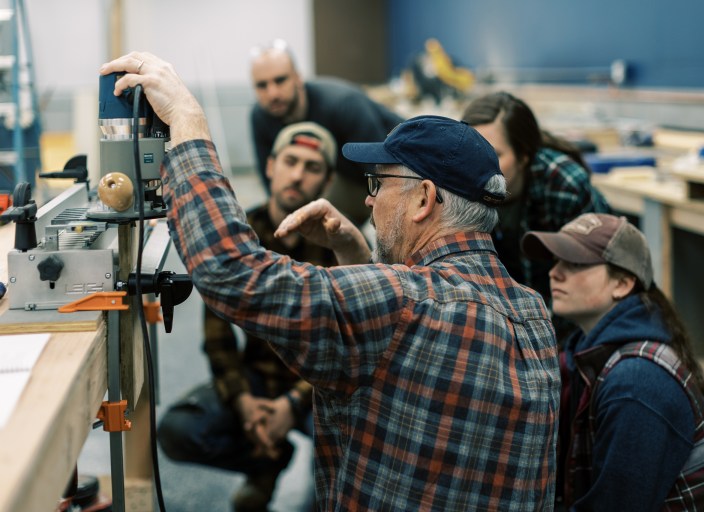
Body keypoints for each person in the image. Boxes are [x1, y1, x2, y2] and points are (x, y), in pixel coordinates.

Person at [101, 52, 561, 511]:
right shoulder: (535, 316)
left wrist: (187, 120)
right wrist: (358, 258)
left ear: (423, 199)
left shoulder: (403, 302)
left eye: (379, 184)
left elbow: (231, 271)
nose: (369, 200)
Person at [521, 213, 704, 511]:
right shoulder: (592, 353)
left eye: (576, 263)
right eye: (557, 261)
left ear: (622, 284)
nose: (554, 272)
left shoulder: (637, 383)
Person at [157, 122, 338, 512]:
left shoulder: (338, 245)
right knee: (178, 431)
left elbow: (344, 349)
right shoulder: (240, 238)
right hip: (255, 378)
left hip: (317, 388)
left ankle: (325, 488)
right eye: (290, 161)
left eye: (312, 167)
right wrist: (241, 400)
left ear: (327, 181)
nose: (297, 175)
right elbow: (218, 336)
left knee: (357, 443)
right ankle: (267, 463)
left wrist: (293, 403)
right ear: (271, 166)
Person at [462, 91, 613, 341]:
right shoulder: (458, 182)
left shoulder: (564, 186)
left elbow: (588, 287)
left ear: (523, 156)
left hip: (567, 318)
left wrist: (547, 347)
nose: (479, 165)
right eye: (472, 152)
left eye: (495, 154)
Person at [249, 39, 404, 226]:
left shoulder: (343, 104)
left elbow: (385, 173)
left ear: (298, 78)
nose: (272, 93)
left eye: (280, 80)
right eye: (262, 85)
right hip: (342, 172)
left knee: (329, 224)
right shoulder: (261, 116)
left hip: (399, 167)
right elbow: (273, 183)